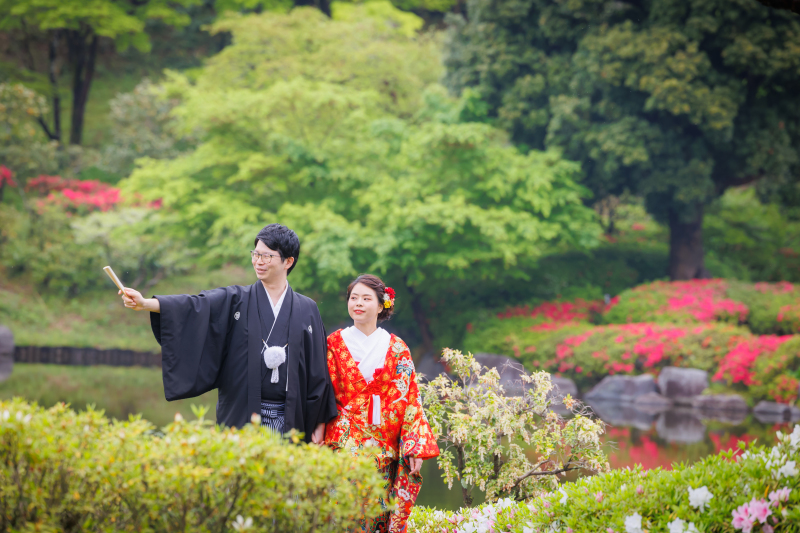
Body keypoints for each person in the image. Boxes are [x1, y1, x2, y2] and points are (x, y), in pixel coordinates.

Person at [119, 223, 337, 443]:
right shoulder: (235, 300)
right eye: (256, 254)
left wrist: (319, 423)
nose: (258, 261)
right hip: (241, 416)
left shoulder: (307, 308)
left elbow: (317, 371)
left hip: (292, 419)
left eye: (267, 256)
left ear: (288, 261)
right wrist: (147, 303)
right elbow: (195, 306)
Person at [324, 274, 439, 533]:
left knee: (378, 516)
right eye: (353, 298)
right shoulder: (333, 343)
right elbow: (320, 392)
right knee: (339, 515)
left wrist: (414, 446)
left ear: (381, 305)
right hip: (342, 444)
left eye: (366, 298)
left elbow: (410, 399)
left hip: (382, 448)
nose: (358, 304)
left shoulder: (397, 348)